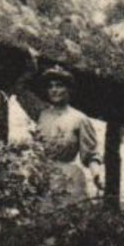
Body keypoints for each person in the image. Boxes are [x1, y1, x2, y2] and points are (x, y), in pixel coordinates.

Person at [12, 57, 102, 206]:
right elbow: (20, 90)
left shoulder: (79, 119)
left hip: (69, 178)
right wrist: (31, 71)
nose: (54, 90)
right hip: (42, 176)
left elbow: (91, 154)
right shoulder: (41, 112)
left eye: (59, 85)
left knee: (69, 221)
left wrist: (97, 175)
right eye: (50, 86)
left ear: (69, 89)